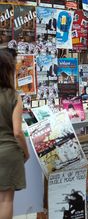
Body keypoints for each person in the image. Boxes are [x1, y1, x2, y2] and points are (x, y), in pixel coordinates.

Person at [0, 50, 29, 218]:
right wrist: (26, 152)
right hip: (9, 153)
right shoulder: (14, 96)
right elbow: (17, 132)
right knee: (5, 200)